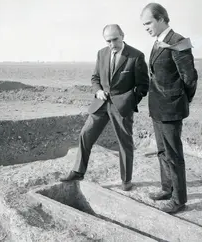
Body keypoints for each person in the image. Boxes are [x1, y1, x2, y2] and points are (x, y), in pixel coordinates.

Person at [60, 24, 149, 191]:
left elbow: (143, 85)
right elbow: (95, 78)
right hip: (101, 104)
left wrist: (129, 101)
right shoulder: (102, 53)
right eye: (108, 40)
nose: (112, 44)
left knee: (125, 143)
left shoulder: (136, 56)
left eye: (115, 39)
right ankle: (78, 171)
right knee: (85, 134)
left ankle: (126, 180)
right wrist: (98, 90)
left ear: (122, 35)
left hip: (122, 107)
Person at [140, 3, 198, 213]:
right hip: (158, 109)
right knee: (162, 151)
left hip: (171, 109)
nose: (145, 27)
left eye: (148, 23)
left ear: (162, 19)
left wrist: (182, 100)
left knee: (174, 155)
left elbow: (190, 78)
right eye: (143, 24)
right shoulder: (158, 42)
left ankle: (179, 200)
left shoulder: (177, 42)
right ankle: (167, 189)